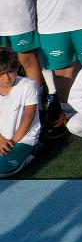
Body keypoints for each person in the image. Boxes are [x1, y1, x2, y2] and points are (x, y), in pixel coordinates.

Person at [0, 47, 39, 177]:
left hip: (22, 139)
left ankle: (32, 152)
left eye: (10, 72)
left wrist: (12, 143)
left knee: (3, 168)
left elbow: (29, 115)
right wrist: (1, 139)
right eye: (1, 74)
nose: (6, 78)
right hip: (1, 138)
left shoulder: (28, 85)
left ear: (17, 68)